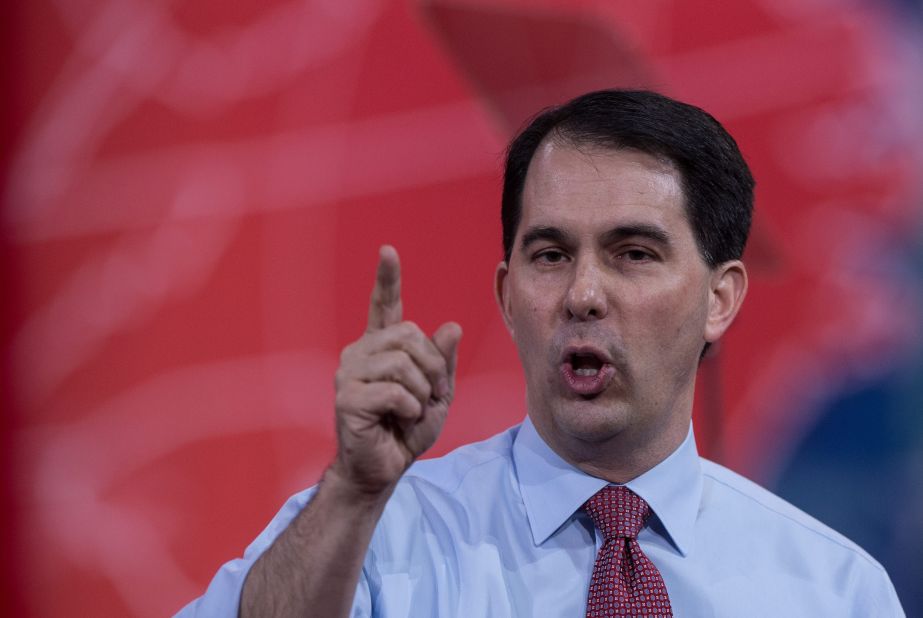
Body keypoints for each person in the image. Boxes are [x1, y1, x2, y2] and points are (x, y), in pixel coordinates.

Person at [178, 90, 904, 617]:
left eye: (632, 253)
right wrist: (352, 492)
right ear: (506, 294)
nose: (582, 293)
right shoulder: (374, 534)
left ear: (719, 299)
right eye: (551, 254)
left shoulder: (832, 588)